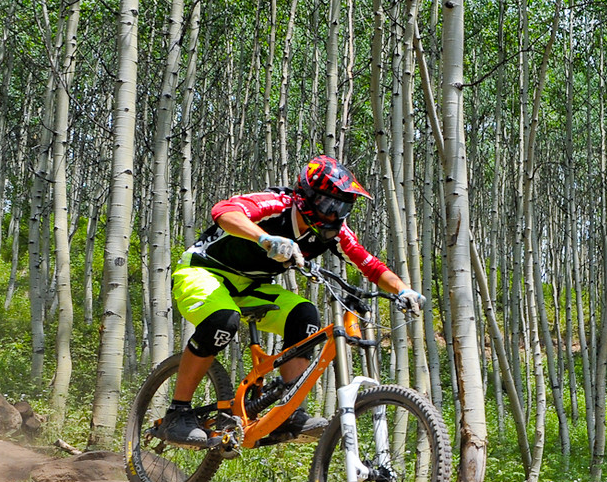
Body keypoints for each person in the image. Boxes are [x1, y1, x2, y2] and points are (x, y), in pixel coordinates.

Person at [156, 155, 424, 447]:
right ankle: (177, 411)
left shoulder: (334, 232)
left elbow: (370, 264)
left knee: (304, 313)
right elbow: (224, 211)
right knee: (224, 319)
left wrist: (402, 290)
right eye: (330, 204)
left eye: (344, 206)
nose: (336, 214)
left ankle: (290, 413)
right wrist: (265, 239)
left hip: (251, 286)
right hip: (203, 271)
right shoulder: (278, 205)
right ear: (307, 197)